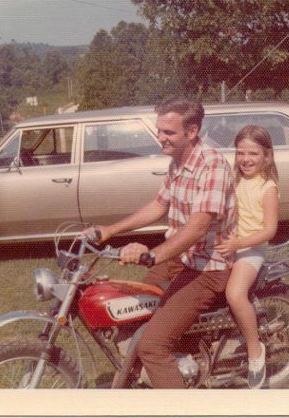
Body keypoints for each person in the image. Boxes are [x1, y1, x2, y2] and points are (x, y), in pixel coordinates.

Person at [86, 97, 237, 389]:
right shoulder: (177, 163)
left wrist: (153, 255)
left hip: (207, 268)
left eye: (168, 133)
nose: (160, 138)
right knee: (128, 309)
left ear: (191, 132)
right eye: (159, 131)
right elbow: (158, 205)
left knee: (153, 347)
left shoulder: (212, 166)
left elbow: (197, 228)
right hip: (179, 260)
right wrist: (110, 230)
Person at [215, 125, 279, 389]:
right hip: (232, 242)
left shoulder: (268, 187)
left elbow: (269, 230)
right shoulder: (235, 178)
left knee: (234, 293)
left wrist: (239, 244)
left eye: (252, 153)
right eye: (240, 152)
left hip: (252, 247)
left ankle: (255, 351)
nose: (245, 159)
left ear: (267, 155)